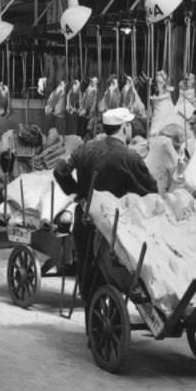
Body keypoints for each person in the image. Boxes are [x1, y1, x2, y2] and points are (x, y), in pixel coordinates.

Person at [54, 107, 157, 312]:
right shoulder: (129, 157)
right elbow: (151, 192)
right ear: (125, 128)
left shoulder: (85, 149)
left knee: (88, 271)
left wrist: (79, 194)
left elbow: (59, 171)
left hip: (86, 219)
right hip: (115, 226)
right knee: (117, 272)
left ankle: (93, 320)